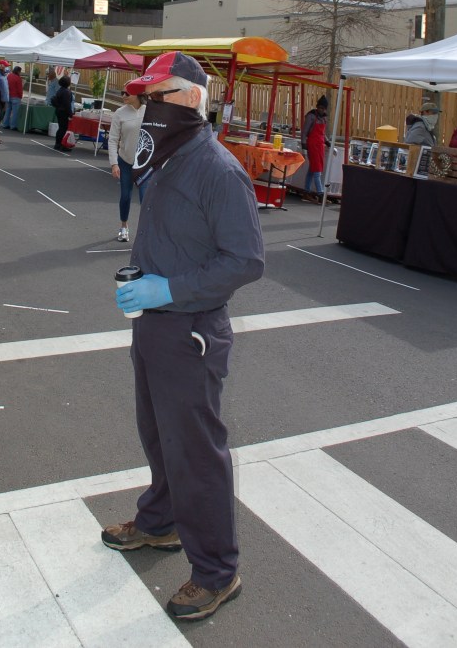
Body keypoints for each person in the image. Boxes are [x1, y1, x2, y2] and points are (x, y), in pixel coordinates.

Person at [102, 52, 265, 622]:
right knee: (159, 435)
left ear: (192, 98)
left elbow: (245, 261)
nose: (150, 107)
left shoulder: (219, 170)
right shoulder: (169, 159)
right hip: (157, 326)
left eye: (160, 95)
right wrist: (144, 278)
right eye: (145, 97)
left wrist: (165, 289)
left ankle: (218, 571)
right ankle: (160, 522)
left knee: (196, 453)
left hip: (191, 329)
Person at [109, 87, 147, 242]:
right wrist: (113, 163)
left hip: (145, 163)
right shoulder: (120, 113)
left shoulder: (150, 111)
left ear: (138, 94)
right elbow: (112, 139)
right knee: (125, 196)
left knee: (146, 198)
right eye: (122, 92)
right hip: (125, 162)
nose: (123, 95)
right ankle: (124, 227)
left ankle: (145, 232)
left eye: (127, 93)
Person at [301, 94, 330, 201]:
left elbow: (323, 133)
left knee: (312, 170)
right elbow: (304, 132)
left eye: (323, 108)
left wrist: (327, 142)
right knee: (317, 170)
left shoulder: (324, 118)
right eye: (320, 107)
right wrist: (304, 146)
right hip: (312, 145)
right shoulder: (311, 116)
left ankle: (306, 192)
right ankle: (320, 193)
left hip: (320, 145)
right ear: (317, 107)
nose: (321, 110)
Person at [52, 75, 74, 151]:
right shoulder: (67, 92)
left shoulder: (60, 90)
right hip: (64, 112)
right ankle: (61, 144)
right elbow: (67, 104)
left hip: (59, 110)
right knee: (63, 129)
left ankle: (58, 143)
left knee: (61, 128)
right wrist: (71, 114)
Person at [4, 66, 24, 130]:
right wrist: (20, 96)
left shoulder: (9, 76)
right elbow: (19, 89)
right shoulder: (18, 78)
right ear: (18, 71)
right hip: (16, 96)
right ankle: (13, 125)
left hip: (9, 95)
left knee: (8, 110)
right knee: (15, 112)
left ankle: (5, 124)